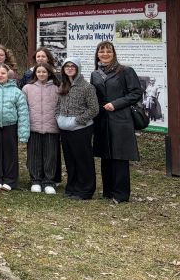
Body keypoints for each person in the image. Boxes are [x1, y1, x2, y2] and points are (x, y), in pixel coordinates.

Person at [91, 41, 142, 204]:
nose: (105, 54)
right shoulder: (95, 74)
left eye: (108, 51)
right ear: (97, 54)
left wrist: (116, 104)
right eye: (101, 51)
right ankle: (108, 191)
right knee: (106, 155)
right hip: (102, 119)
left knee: (119, 156)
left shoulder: (125, 71)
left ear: (114, 54)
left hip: (121, 119)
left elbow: (136, 93)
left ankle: (121, 194)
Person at [56, 58, 99, 200]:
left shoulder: (87, 87)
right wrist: (58, 118)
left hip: (81, 129)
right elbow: (58, 105)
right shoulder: (63, 85)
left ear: (78, 68)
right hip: (65, 128)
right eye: (66, 66)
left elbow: (94, 109)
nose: (69, 68)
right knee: (70, 159)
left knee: (83, 159)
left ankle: (85, 189)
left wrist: (77, 121)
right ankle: (72, 187)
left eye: (72, 66)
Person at [22, 63, 60, 194]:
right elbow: (23, 108)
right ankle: (36, 180)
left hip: (52, 127)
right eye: (39, 72)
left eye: (44, 72)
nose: (41, 74)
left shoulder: (57, 88)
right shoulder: (27, 88)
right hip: (33, 127)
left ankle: (49, 181)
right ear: (35, 73)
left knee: (50, 155)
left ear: (49, 73)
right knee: (34, 155)